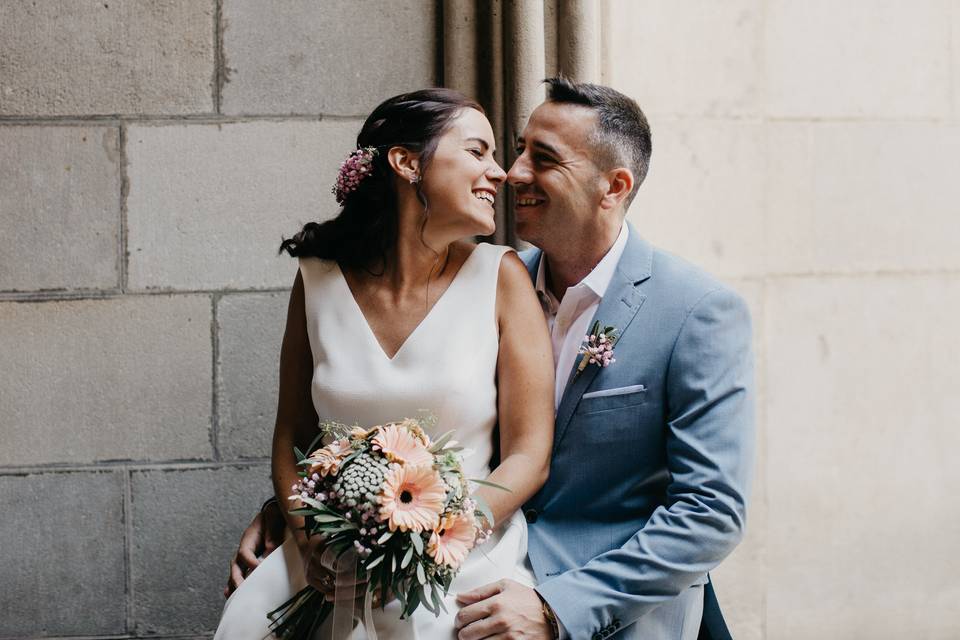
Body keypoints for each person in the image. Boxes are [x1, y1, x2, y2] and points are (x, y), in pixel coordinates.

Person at [229, 78, 755, 640]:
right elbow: (337, 424)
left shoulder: (696, 311)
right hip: (437, 573)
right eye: (514, 149)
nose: (514, 172)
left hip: (599, 605)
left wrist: (558, 607)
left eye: (543, 158)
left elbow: (711, 512)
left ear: (614, 186)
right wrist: (314, 511)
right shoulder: (500, 276)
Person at [214, 88, 556, 638]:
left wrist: (441, 536)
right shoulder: (317, 279)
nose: (499, 173)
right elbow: (292, 435)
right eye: (477, 151)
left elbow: (529, 454)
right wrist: (309, 535)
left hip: (462, 554)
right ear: (406, 162)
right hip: (329, 555)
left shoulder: (503, 277)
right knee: (251, 623)